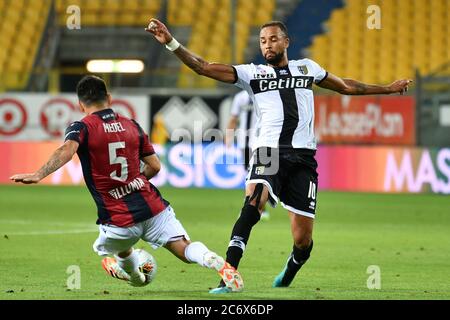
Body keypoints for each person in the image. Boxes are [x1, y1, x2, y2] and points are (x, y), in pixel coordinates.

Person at [145, 19, 412, 294]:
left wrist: (388, 88)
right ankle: (227, 275)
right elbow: (203, 67)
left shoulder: (307, 68)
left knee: (303, 239)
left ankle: (292, 267)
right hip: (268, 152)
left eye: (272, 39)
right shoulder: (253, 74)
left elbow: (346, 86)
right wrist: (171, 43)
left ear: (286, 42)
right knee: (253, 203)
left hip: (303, 158)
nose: (267, 45)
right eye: (262, 41)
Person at [10, 75, 243, 292]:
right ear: (109, 98)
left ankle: (136, 277)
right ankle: (214, 260)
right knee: (184, 248)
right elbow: (155, 166)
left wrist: (39, 174)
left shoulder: (81, 127)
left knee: (118, 249)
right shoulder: (132, 125)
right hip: (153, 208)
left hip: (118, 219)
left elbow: (66, 150)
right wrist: (135, 183)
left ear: (80, 104)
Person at [226, 90, 270, 221]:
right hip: (244, 143)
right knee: (249, 176)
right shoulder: (240, 97)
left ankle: (261, 208)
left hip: (261, 141)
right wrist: (228, 137)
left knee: (261, 175)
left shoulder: (265, 94)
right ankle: (250, 207)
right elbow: (233, 118)